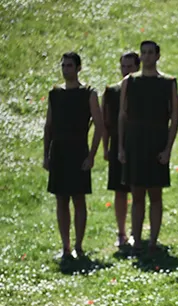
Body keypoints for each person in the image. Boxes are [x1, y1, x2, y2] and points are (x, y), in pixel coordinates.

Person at [119, 40, 178, 254]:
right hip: (135, 141)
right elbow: (122, 115)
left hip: (157, 141)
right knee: (136, 194)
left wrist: (168, 149)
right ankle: (136, 238)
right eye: (143, 53)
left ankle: (153, 239)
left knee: (155, 194)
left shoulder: (168, 82)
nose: (146, 56)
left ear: (157, 56)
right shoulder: (130, 82)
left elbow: (175, 117)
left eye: (150, 53)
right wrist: (121, 147)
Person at [44, 51, 103, 262]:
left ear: (78, 68)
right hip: (59, 151)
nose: (66, 69)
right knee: (61, 199)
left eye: (70, 66)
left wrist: (92, 155)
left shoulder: (88, 93)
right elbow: (49, 126)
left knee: (78, 199)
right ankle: (65, 246)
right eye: (64, 66)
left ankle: (79, 245)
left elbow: (99, 126)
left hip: (78, 150)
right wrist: (46, 154)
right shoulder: (55, 94)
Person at [101, 51, 139, 248]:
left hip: (137, 144)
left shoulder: (141, 89)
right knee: (119, 190)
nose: (126, 70)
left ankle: (136, 232)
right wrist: (106, 147)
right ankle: (121, 232)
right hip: (117, 143)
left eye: (130, 66)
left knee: (137, 189)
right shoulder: (111, 91)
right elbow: (106, 122)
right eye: (123, 66)